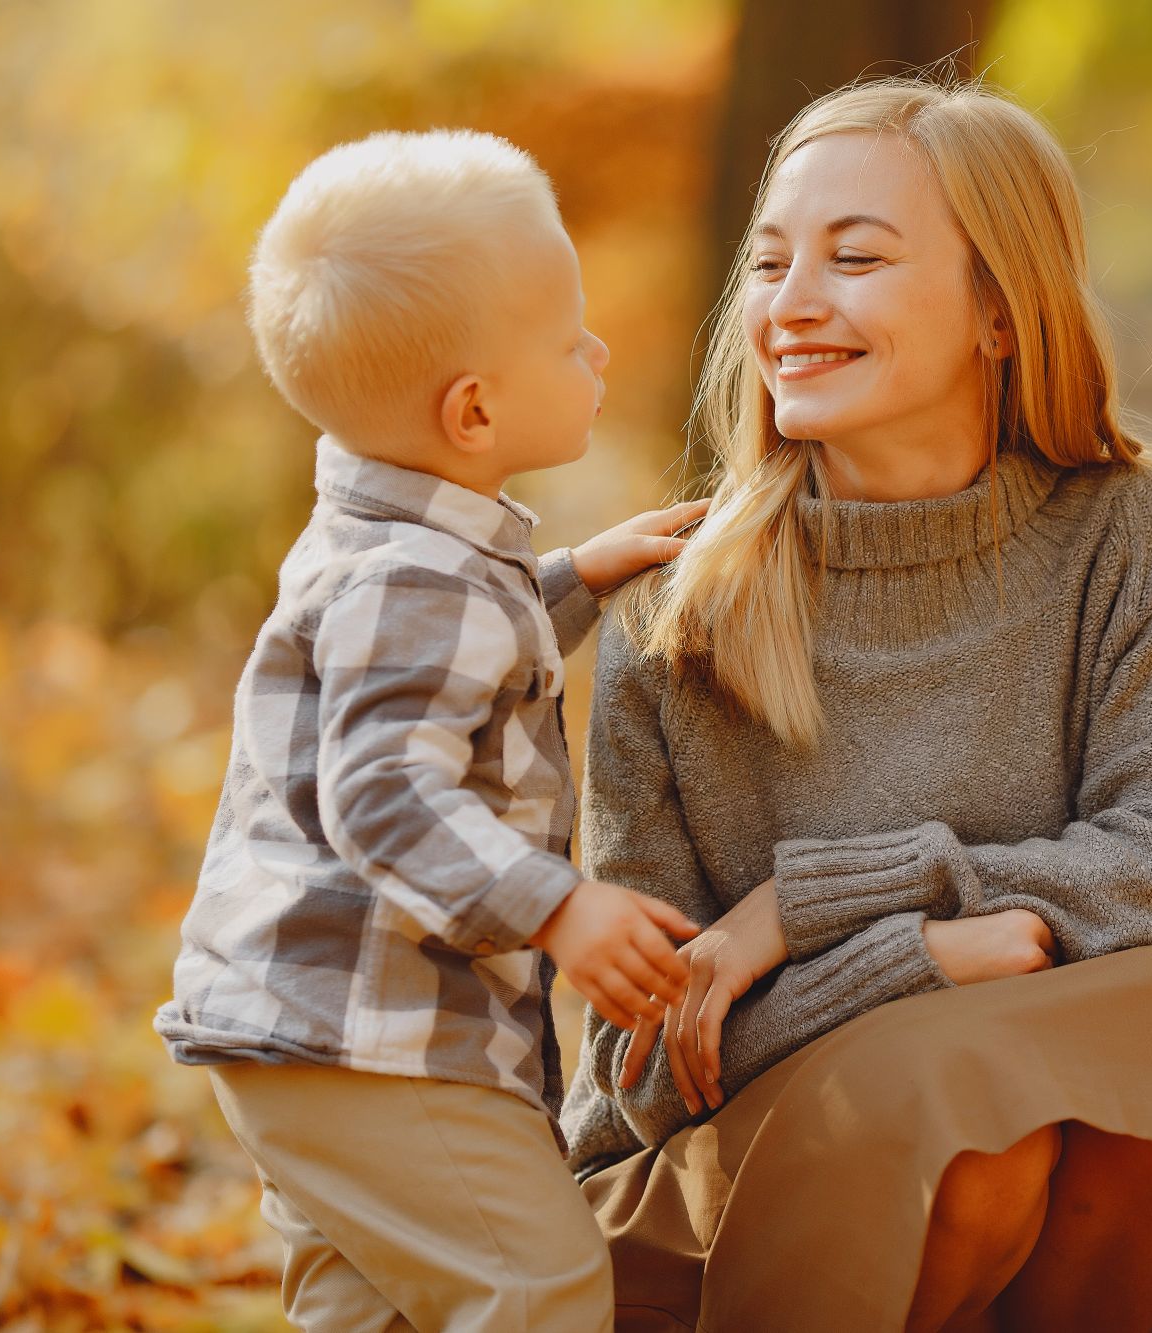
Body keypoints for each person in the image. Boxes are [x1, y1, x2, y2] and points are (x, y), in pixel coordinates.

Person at [559, 77, 1152, 1332]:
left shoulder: (1118, 537)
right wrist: (919, 960)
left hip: (1012, 1148)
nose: (791, 306)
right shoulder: (671, 614)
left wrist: (802, 909)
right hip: (702, 1201)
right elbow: (647, 1059)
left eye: (853, 259)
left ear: (998, 314)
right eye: (769, 263)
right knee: (973, 1117)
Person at [152, 128, 709, 1332]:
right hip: (375, 1042)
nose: (597, 349)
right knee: (538, 1286)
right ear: (472, 411)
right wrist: (558, 906)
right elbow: (385, 796)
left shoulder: (394, 545)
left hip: (295, 1035)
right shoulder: (427, 581)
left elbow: (455, 673)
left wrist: (574, 576)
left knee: (377, 1308)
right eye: (569, 340)